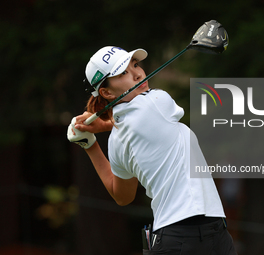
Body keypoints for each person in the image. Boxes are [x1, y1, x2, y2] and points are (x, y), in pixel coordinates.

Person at [67, 46, 237, 255]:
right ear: (106, 92)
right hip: (185, 237)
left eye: (136, 65)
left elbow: (122, 196)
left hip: (200, 234)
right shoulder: (158, 101)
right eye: (123, 73)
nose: (138, 73)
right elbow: (139, 117)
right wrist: (104, 127)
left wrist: (90, 145)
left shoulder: (116, 141)